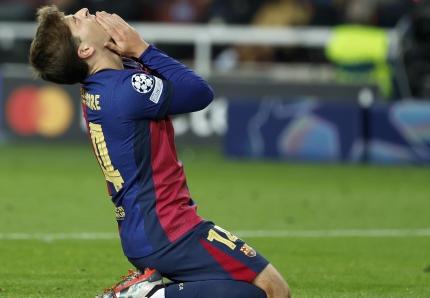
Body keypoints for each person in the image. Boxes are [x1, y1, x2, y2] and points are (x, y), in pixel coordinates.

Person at [29, 6, 291, 298]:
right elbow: (199, 92)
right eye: (77, 20)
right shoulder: (124, 90)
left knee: (245, 291)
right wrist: (141, 47)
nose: (83, 10)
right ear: (86, 50)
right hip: (170, 231)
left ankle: (152, 293)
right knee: (273, 291)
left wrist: (129, 52)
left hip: (147, 232)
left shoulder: (102, 85)